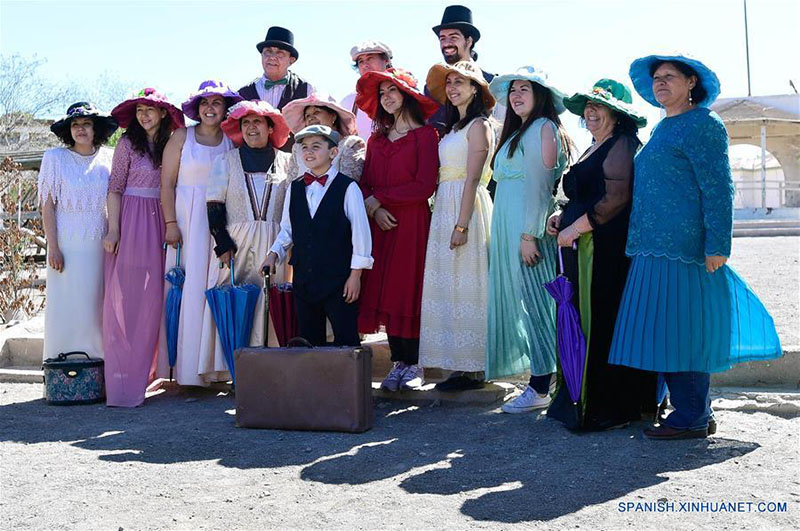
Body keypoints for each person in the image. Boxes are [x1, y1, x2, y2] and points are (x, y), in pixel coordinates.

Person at [608, 54, 782, 439]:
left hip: (684, 247)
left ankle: (691, 415)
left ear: (691, 83)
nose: (660, 82)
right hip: (651, 245)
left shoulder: (703, 124)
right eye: (656, 78)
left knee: (681, 330)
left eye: (669, 76)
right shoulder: (662, 128)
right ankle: (696, 409)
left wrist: (718, 244)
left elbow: (719, 187)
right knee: (667, 329)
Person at [543, 79, 657, 431]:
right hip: (583, 245)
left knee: (600, 320)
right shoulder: (595, 145)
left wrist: (575, 228)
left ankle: (605, 405)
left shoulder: (622, 144)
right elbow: (587, 194)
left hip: (604, 251)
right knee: (580, 318)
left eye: (599, 106)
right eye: (587, 107)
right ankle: (578, 397)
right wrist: (562, 215)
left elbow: (615, 200)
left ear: (617, 114)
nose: (590, 112)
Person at [485, 66, 572, 413]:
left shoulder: (543, 128)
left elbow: (539, 185)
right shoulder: (518, 131)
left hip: (527, 230)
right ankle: (540, 380)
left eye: (525, 89)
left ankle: (539, 386)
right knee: (527, 304)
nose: (517, 95)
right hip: (511, 226)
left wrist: (528, 235)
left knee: (538, 306)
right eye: (513, 90)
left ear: (542, 96)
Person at [355, 67, 439, 391]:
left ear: (407, 95)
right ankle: (397, 362)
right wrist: (374, 207)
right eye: (383, 93)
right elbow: (364, 185)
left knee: (409, 290)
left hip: (411, 223)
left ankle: (415, 362)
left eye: (393, 91)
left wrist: (380, 199)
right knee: (386, 290)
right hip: (381, 225)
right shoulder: (375, 140)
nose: (387, 98)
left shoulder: (426, 136)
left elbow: (424, 186)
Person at [198, 100, 292, 381]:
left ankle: (270, 369)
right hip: (235, 243)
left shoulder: (288, 161)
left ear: (270, 127)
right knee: (233, 300)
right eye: (246, 123)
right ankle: (233, 368)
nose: (252, 128)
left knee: (271, 300)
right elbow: (214, 205)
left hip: (276, 244)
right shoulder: (225, 161)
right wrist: (223, 244)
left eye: (258, 122)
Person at [155, 80, 240, 386]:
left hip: (218, 221)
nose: (209, 108)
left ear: (224, 109)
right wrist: (170, 224)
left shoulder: (231, 142)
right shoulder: (182, 137)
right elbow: (166, 184)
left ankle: (215, 366)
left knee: (213, 286)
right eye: (204, 103)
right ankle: (185, 368)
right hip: (186, 220)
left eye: (216, 103)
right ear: (197, 109)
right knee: (186, 289)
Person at [105, 88, 185, 407]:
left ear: (163, 113)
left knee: (159, 293)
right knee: (130, 295)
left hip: (164, 218)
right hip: (133, 218)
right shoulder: (126, 143)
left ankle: (156, 369)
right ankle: (127, 374)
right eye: (140, 109)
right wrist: (114, 229)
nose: (144, 115)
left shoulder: (173, 142)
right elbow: (114, 188)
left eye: (150, 109)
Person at [418, 61, 495, 391]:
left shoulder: (479, 125)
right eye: (449, 82)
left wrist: (461, 224)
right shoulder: (452, 128)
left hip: (466, 205)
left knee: (468, 283)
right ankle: (456, 362)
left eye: (460, 82)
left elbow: (474, 178)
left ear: (475, 88)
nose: (452, 87)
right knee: (448, 285)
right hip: (445, 204)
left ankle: (474, 365)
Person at [264, 125, 373, 346]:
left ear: (333, 153)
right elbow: (288, 229)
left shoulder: (348, 187)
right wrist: (273, 254)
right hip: (305, 278)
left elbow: (361, 234)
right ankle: (316, 381)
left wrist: (355, 276)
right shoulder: (294, 188)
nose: (309, 152)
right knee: (309, 339)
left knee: (346, 338)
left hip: (339, 279)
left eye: (316, 146)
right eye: (304, 147)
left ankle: (349, 381)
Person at [38, 102, 118, 363]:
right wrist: (54, 247)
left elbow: (115, 200)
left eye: (86, 124)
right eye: (75, 124)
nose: (81, 129)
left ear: (97, 129)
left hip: (100, 245)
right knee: (66, 307)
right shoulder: (54, 158)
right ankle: (62, 371)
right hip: (67, 246)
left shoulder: (110, 157)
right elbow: (47, 206)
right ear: (68, 130)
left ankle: (97, 371)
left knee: (96, 307)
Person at [427, 5, 498, 137]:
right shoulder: (431, 89)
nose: (446, 43)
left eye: (453, 37)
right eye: (442, 38)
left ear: (469, 41)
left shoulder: (493, 83)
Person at [281, 93, 366, 180]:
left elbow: (348, 184)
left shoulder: (350, 144)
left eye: (316, 112)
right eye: (307, 116)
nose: (311, 118)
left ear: (333, 116)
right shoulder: (298, 148)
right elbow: (289, 186)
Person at [237, 26, 313, 110]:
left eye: (280, 53)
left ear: (291, 60)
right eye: (268, 52)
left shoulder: (307, 90)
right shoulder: (243, 94)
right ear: (261, 55)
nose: (272, 57)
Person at [340, 40, 394, 140]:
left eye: (370, 59)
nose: (365, 65)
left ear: (386, 60)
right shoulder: (349, 101)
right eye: (361, 61)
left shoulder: (403, 94)